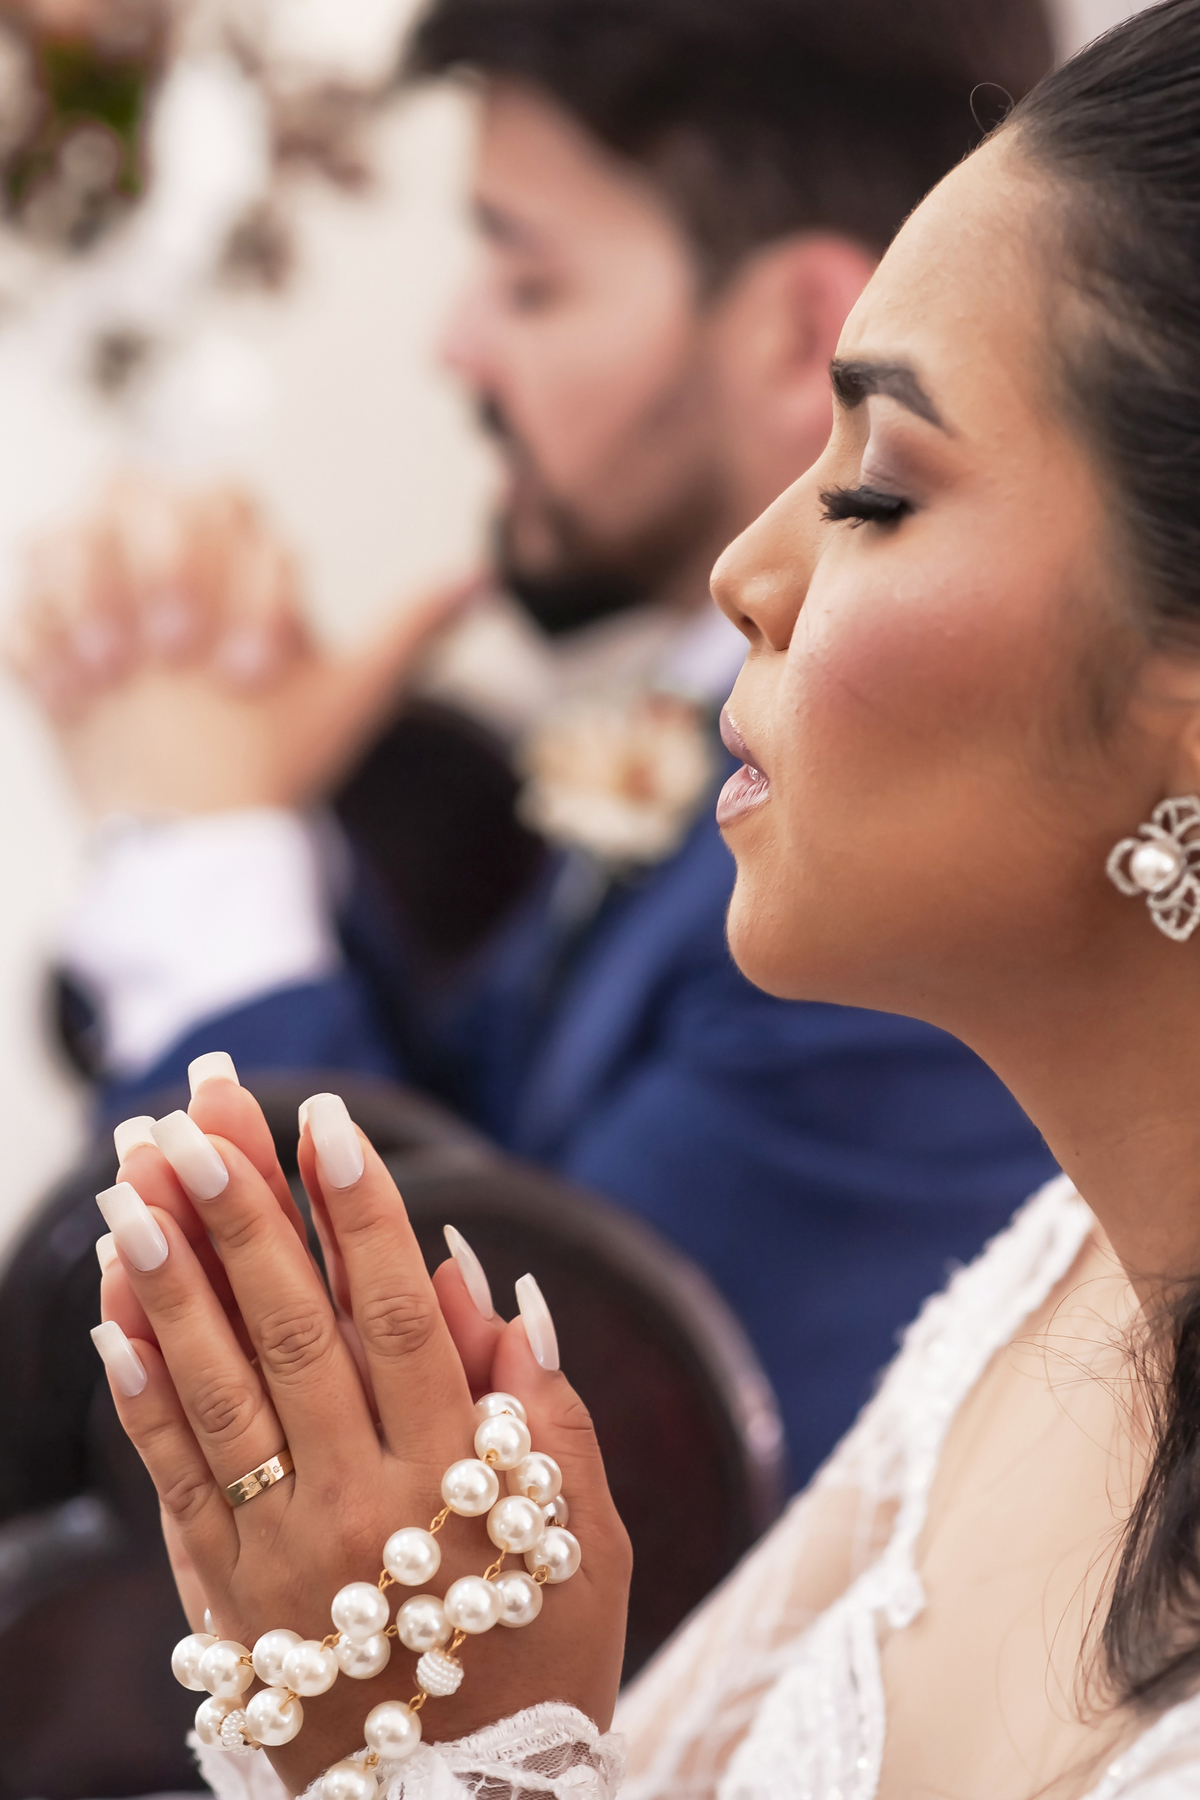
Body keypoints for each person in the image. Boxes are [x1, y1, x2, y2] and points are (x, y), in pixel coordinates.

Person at [86, 0, 1200, 1791]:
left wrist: (440, 1753)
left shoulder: (904, 1053)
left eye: (882, 490)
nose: (746, 567)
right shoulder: (1050, 1289)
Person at [14, 0, 1059, 1489]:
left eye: (528, 274)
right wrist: (262, 804)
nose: (457, 340)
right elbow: (493, 1139)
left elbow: (507, 1467)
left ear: (797, 332)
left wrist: (204, 853)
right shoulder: (706, 735)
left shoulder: (910, 873)